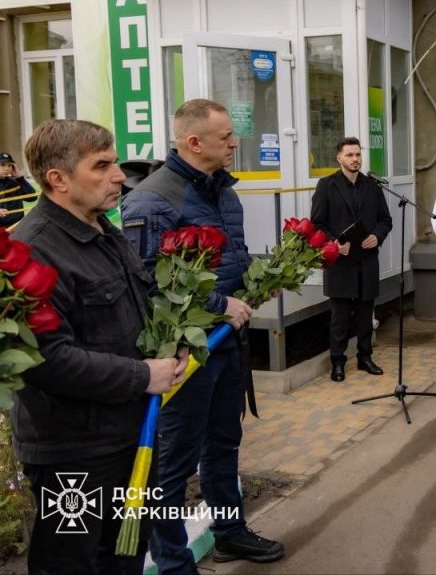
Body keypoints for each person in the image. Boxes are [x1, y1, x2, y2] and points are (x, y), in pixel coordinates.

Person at [11, 119, 186, 573]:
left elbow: (135, 309)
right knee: (71, 564)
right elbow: (46, 361)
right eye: (102, 165)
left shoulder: (104, 232)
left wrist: (172, 345)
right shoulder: (32, 252)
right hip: (74, 455)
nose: (119, 176)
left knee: (125, 556)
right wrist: (144, 375)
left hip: (128, 437)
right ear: (59, 179)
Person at [121, 99, 284, 572]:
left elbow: (232, 258)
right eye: (226, 136)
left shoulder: (222, 191)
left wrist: (260, 281)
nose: (235, 142)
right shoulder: (153, 200)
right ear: (195, 143)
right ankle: (173, 561)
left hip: (227, 343)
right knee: (174, 460)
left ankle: (229, 533)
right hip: (185, 353)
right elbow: (149, 281)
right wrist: (221, 306)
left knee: (224, 444)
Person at [311, 137, 392, 383]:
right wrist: (334, 243)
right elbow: (316, 223)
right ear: (339, 158)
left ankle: (365, 357)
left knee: (366, 313)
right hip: (340, 261)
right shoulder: (326, 185)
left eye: (358, 155)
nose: (355, 159)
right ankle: (338, 362)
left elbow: (385, 220)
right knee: (340, 317)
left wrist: (377, 237)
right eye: (350, 155)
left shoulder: (373, 186)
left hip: (367, 259)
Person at [0, 150, 37, 228]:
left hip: (18, 227)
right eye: (2, 165)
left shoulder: (15, 182)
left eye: (9, 165)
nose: (6, 168)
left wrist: (19, 177)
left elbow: (32, 197)